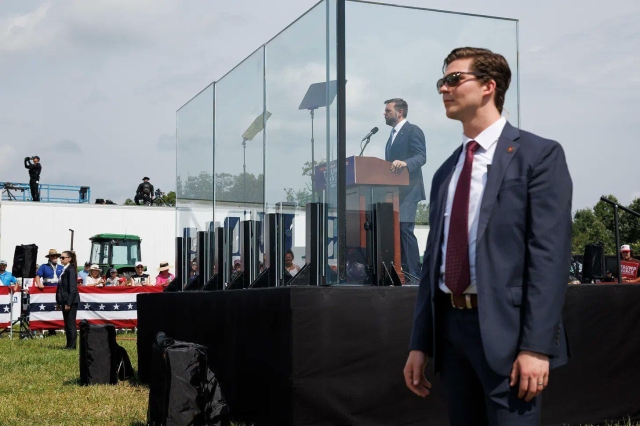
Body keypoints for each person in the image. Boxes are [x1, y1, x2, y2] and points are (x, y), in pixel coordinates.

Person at [404, 47, 572, 425]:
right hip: (451, 334)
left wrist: (535, 346)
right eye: (441, 82)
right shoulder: (446, 170)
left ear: (488, 87)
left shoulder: (539, 156)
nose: (443, 89)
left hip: (510, 337)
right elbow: (434, 261)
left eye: (453, 79)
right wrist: (420, 343)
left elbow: (550, 257)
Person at [383, 98, 427, 278]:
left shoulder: (412, 130)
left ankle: (415, 275)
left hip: (409, 191)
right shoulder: (391, 136)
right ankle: (402, 272)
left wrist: (405, 163)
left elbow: (421, 156)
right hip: (394, 192)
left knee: (405, 230)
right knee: (395, 231)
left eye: (388, 110)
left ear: (399, 112)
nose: (384, 114)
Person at [56, 250, 79, 349]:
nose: (60, 259)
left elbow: (73, 289)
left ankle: (72, 345)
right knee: (67, 323)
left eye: (63, 257)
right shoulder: (64, 269)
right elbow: (61, 287)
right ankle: (68, 344)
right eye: (60, 257)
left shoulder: (71, 270)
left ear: (69, 259)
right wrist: (59, 301)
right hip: (64, 300)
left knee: (70, 323)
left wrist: (68, 303)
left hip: (71, 301)